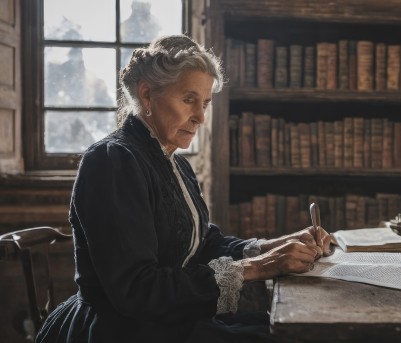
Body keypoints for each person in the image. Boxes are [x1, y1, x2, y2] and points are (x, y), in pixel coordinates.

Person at [36, 34, 332, 343]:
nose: (201, 117)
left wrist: (276, 246)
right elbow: (138, 291)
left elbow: (202, 244)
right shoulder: (111, 162)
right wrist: (258, 266)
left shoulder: (175, 163)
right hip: (120, 329)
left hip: (167, 319)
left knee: (292, 330)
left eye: (204, 103)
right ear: (147, 95)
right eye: (188, 99)